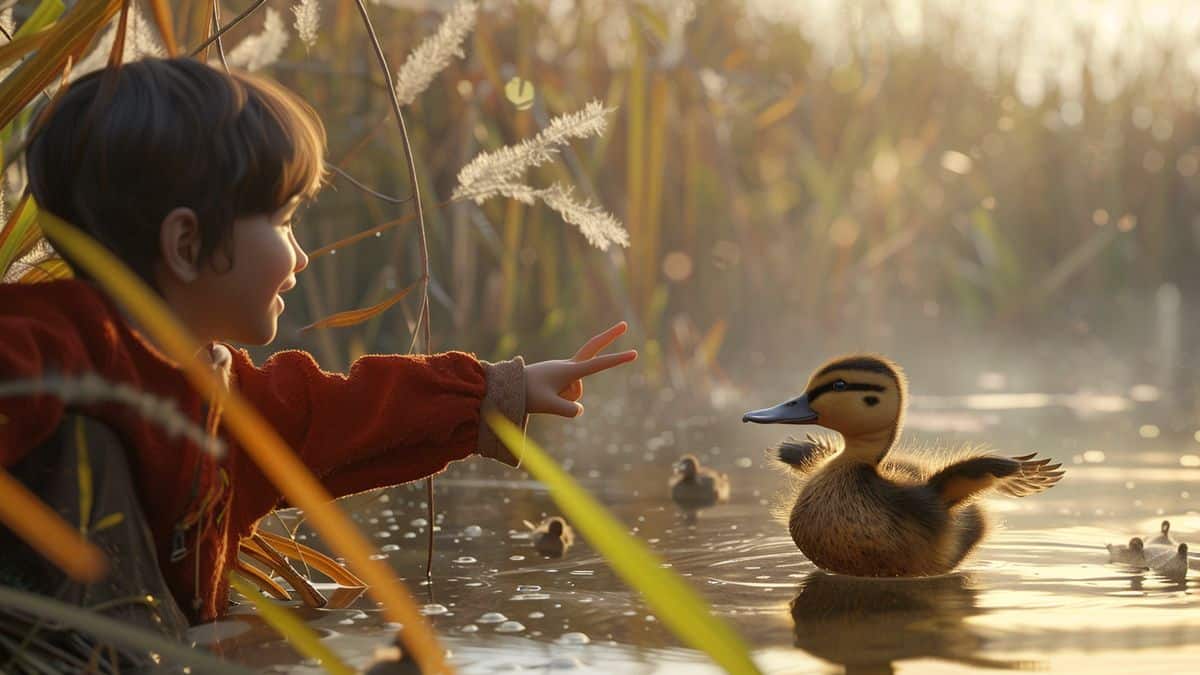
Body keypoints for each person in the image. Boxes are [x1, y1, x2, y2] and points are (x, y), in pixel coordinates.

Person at [0, 56, 636, 651]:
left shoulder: (222, 396)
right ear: (188, 245)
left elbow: (337, 415)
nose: (301, 255)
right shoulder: (61, 343)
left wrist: (502, 392)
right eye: (283, 222)